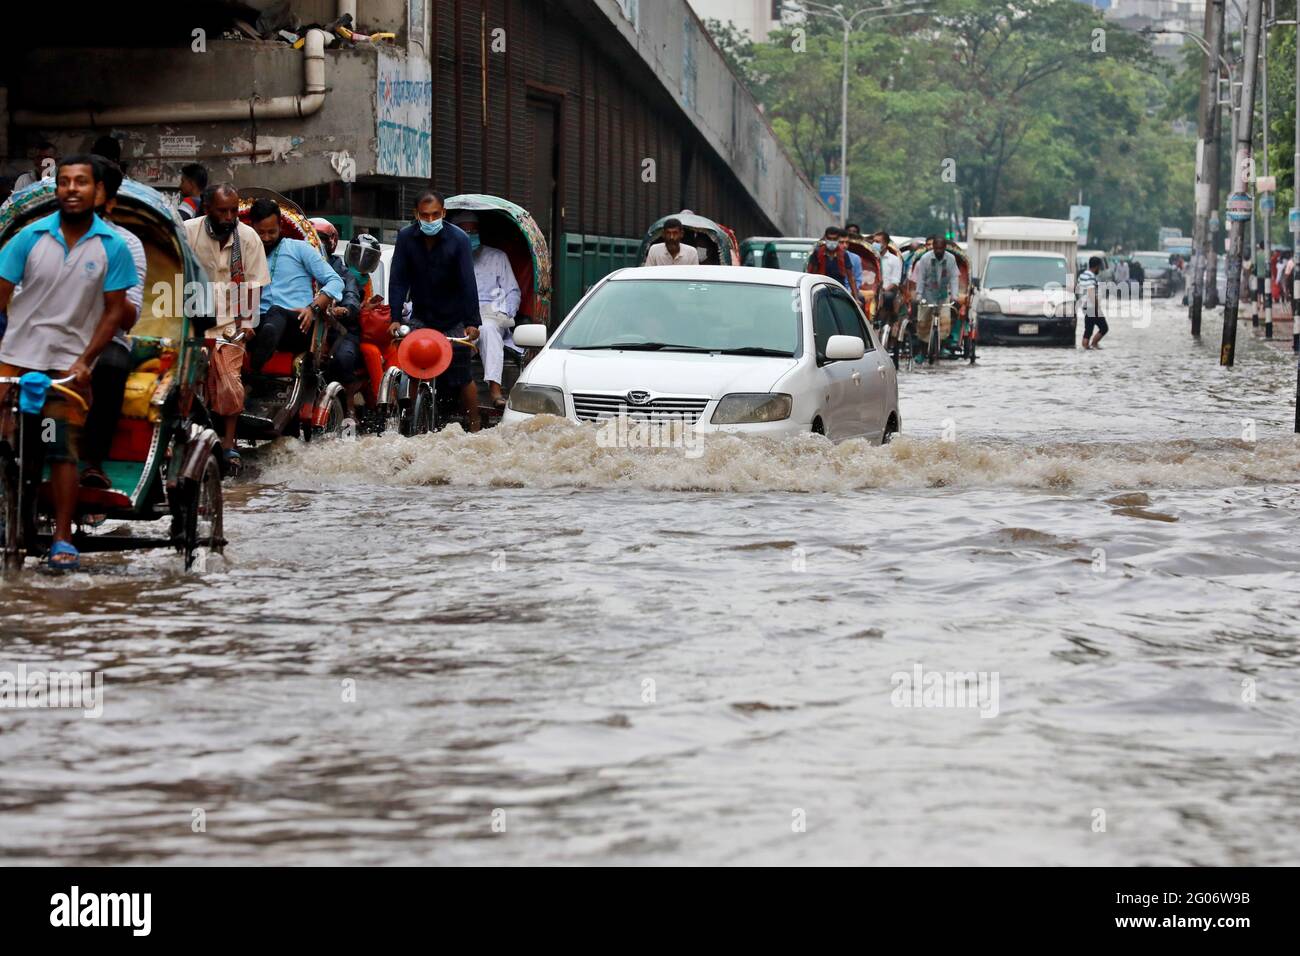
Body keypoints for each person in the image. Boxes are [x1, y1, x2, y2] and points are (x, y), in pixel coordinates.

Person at [0, 154, 136, 569]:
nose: (71, 189)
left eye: (81, 182)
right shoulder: (27, 238)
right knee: (6, 439)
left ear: (97, 191)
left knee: (57, 447)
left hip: (67, 363)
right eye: (64, 182)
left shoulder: (115, 247)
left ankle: (61, 537)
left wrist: (85, 360)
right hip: (16, 358)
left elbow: (117, 312)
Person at [182, 182, 270, 468]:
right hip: (194, 320)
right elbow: (177, 274)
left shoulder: (248, 237)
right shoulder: (188, 232)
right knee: (188, 382)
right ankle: (189, 438)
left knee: (231, 384)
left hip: (231, 324)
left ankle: (229, 444)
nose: (230, 216)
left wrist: (246, 324)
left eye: (234, 210)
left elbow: (253, 285)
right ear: (207, 209)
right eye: (223, 211)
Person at [387, 189, 482, 430]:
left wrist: (473, 322)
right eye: (425, 215)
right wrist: (395, 318)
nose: (430, 220)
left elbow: (467, 282)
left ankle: (475, 423)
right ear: (416, 214)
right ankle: (406, 416)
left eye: (435, 215)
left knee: (462, 375)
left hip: (453, 318)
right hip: (421, 316)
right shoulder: (406, 237)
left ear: (444, 213)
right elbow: (398, 280)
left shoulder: (459, 239)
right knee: (409, 364)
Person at [80, 158, 146, 489]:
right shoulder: (38, 236)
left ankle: (93, 461)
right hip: (50, 336)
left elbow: (128, 313)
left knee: (108, 367)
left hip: (108, 340)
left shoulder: (124, 245)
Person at [246, 197, 343, 377]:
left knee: (276, 312)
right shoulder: (244, 254)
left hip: (297, 326)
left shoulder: (300, 249)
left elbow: (335, 281)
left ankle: (255, 368)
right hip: (257, 325)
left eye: (271, 232)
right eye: (261, 233)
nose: (266, 238)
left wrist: (313, 308)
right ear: (251, 228)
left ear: (280, 226)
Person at [448, 210, 521, 410]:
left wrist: (507, 314)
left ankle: (495, 391)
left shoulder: (497, 257)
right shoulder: (447, 258)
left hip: (492, 313)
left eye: (474, 231)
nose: (470, 235)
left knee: (487, 328)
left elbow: (512, 291)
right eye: (465, 232)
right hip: (458, 314)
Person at [323, 232, 380, 417]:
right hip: (321, 327)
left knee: (345, 358)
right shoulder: (322, 268)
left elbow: (351, 300)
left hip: (349, 330)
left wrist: (350, 309)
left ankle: (350, 407)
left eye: (368, 257)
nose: (361, 260)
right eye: (357, 254)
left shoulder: (350, 275)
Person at [909, 235, 960, 362]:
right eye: (936, 248)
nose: (938, 251)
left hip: (943, 295)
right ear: (933, 247)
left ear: (944, 248)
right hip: (927, 294)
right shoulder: (925, 259)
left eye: (940, 248)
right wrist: (919, 295)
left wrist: (954, 296)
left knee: (944, 321)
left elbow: (954, 278)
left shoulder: (951, 259)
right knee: (923, 323)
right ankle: (921, 351)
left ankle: (942, 346)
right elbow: (920, 279)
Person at [807, 226, 859, 298]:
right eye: (830, 239)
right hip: (821, 290)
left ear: (838, 239)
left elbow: (851, 277)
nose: (832, 241)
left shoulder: (843, 255)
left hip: (838, 291)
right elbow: (811, 274)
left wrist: (855, 298)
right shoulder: (818, 253)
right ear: (825, 238)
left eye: (834, 239)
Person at [1077, 255, 1108, 350]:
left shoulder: (1082, 275)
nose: (1100, 269)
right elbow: (1091, 292)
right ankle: (1092, 345)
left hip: (1085, 306)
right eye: (1099, 267)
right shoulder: (1091, 277)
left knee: (1088, 330)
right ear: (1096, 266)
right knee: (1104, 328)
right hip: (1091, 306)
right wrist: (1096, 306)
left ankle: (1089, 346)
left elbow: (1078, 290)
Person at [873, 230, 902, 329]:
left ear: (885, 244)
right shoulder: (871, 257)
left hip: (887, 290)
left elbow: (895, 281)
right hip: (872, 290)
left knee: (886, 297)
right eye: (874, 241)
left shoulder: (894, 260)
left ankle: (879, 323)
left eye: (878, 242)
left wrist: (883, 290)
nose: (874, 244)